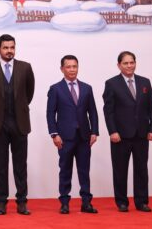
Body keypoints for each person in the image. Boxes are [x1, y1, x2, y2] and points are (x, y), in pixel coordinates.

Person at [0, 34, 35, 215]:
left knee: (20, 165)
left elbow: (29, 93)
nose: (9, 51)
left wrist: (19, 109)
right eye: (5, 47)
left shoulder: (25, 68)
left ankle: (22, 202)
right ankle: (1, 201)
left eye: (12, 47)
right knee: (0, 166)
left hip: (20, 123)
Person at [103, 51, 152, 213]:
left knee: (142, 169)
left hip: (142, 134)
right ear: (119, 65)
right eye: (126, 63)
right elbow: (109, 111)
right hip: (120, 136)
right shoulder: (112, 84)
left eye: (132, 62)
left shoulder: (145, 82)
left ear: (135, 63)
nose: (129, 66)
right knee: (120, 170)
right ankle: (122, 202)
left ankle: (141, 202)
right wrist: (112, 131)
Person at [46, 55, 99, 214]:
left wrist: (94, 131)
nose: (72, 69)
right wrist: (54, 134)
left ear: (78, 67)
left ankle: (86, 203)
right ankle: (64, 202)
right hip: (65, 137)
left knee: (84, 170)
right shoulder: (55, 89)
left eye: (74, 66)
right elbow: (50, 114)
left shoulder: (87, 88)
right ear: (62, 69)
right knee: (65, 169)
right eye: (68, 67)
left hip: (84, 136)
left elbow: (93, 112)